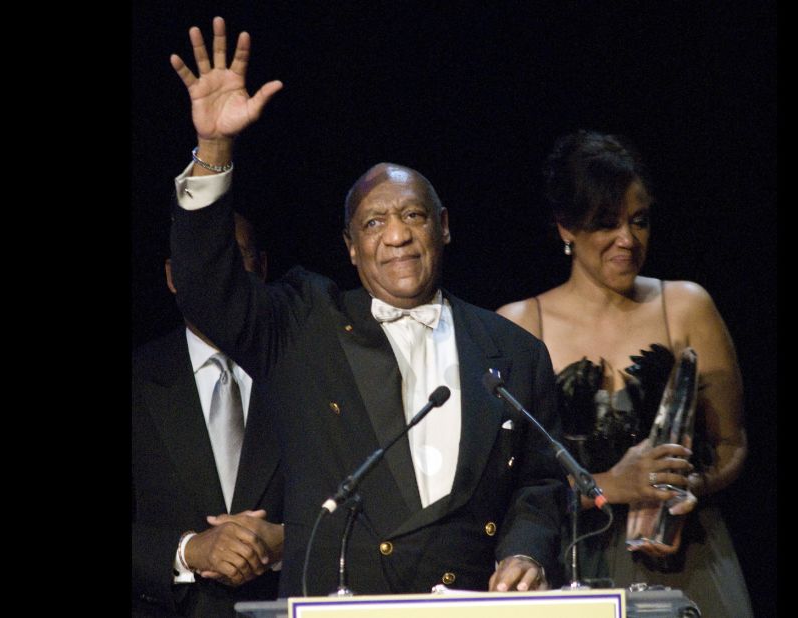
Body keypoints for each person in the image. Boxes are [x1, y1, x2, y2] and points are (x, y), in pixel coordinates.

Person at [165, 17, 567, 597]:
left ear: (444, 228)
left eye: (413, 216)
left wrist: (526, 548)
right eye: (374, 222)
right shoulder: (305, 321)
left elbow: (539, 483)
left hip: (475, 605)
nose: (397, 236)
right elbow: (206, 288)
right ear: (352, 249)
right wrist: (214, 148)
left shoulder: (514, 350)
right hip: (343, 602)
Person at [497, 130, 754, 615]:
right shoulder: (521, 323)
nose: (627, 240)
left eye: (639, 221)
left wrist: (687, 488)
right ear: (565, 228)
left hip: (686, 557)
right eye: (605, 224)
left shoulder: (686, 305)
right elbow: (507, 478)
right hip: (574, 562)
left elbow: (731, 444)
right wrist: (611, 484)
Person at [132, 212, 286, 617]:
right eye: (203, 257)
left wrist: (285, 542)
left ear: (262, 268)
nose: (219, 273)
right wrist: (188, 551)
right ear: (171, 276)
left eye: (233, 255)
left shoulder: (301, 374)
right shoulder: (138, 379)